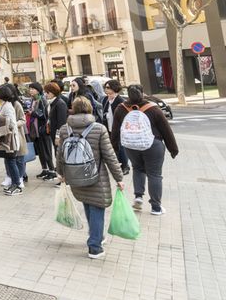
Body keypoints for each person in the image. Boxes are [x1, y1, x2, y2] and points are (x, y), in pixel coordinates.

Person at [56, 97, 125, 259]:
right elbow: (110, 156)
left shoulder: (65, 129)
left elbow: (60, 154)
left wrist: (61, 173)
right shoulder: (99, 129)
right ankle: (95, 246)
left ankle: (97, 236)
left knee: (88, 203)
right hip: (96, 177)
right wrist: (119, 178)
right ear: (89, 109)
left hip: (74, 175)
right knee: (97, 207)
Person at [112, 84, 179, 215]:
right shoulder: (153, 109)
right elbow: (166, 130)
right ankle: (156, 207)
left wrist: (114, 147)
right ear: (142, 93)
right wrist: (173, 149)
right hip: (153, 145)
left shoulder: (121, 109)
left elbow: (115, 131)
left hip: (131, 146)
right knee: (154, 174)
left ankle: (138, 196)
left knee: (137, 168)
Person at [0, 84, 22, 196]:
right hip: (8, 139)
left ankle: (17, 185)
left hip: (10, 139)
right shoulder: (4, 105)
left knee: (11, 162)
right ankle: (14, 184)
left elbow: (12, 124)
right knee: (9, 162)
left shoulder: (8, 107)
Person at [28, 82, 56, 180]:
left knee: (46, 150)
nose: (31, 90)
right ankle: (45, 169)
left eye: (33, 89)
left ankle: (52, 171)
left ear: (38, 90)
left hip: (43, 129)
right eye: (30, 89)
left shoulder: (42, 100)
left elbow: (44, 116)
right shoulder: (33, 100)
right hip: (35, 130)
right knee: (40, 151)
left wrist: (33, 113)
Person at [101, 79, 129, 175]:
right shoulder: (105, 99)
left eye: (108, 88)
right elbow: (104, 112)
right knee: (113, 147)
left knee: (121, 147)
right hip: (109, 127)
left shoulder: (120, 101)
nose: (106, 90)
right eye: (105, 88)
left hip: (119, 128)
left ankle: (125, 166)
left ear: (114, 88)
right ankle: (117, 165)